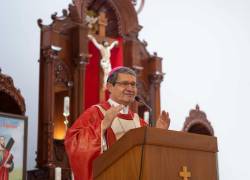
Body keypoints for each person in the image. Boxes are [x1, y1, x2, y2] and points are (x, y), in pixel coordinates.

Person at [64, 66, 170, 180]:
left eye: (133, 84)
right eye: (124, 83)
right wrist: (102, 126)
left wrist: (158, 133)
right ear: (110, 87)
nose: (130, 88)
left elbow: (150, 157)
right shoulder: (95, 113)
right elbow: (73, 143)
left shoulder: (139, 121)